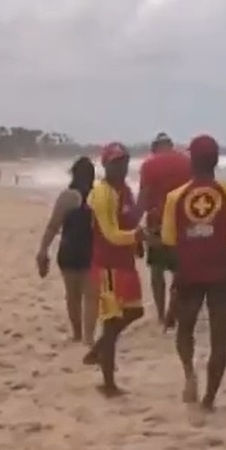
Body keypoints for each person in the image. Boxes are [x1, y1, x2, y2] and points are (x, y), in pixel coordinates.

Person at [160, 134, 226, 410]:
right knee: (219, 339)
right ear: (216, 160)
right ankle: (209, 400)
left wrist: (195, 234)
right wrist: (220, 234)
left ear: (191, 159)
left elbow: (169, 239)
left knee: (184, 330)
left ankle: (189, 374)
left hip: (188, 275)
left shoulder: (175, 197)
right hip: (222, 275)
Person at [83, 143, 145, 396]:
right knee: (111, 323)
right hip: (108, 265)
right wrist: (136, 237)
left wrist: (138, 239)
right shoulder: (102, 193)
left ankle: (98, 350)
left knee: (135, 311)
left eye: (125, 161)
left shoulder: (125, 190)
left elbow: (129, 221)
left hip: (125, 263)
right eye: (116, 162)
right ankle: (108, 383)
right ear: (106, 165)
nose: (122, 166)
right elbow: (109, 234)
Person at [35, 156, 98, 346]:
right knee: (91, 297)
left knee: (72, 296)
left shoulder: (67, 197)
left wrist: (43, 250)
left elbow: (53, 226)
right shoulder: (99, 196)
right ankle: (89, 338)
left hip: (69, 250)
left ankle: (77, 333)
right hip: (91, 252)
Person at [137, 132, 192, 325]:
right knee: (179, 271)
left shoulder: (149, 165)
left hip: (157, 223)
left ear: (156, 147)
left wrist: (135, 224)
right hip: (183, 223)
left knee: (157, 271)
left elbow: (144, 196)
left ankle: (161, 314)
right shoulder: (187, 161)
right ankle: (174, 311)